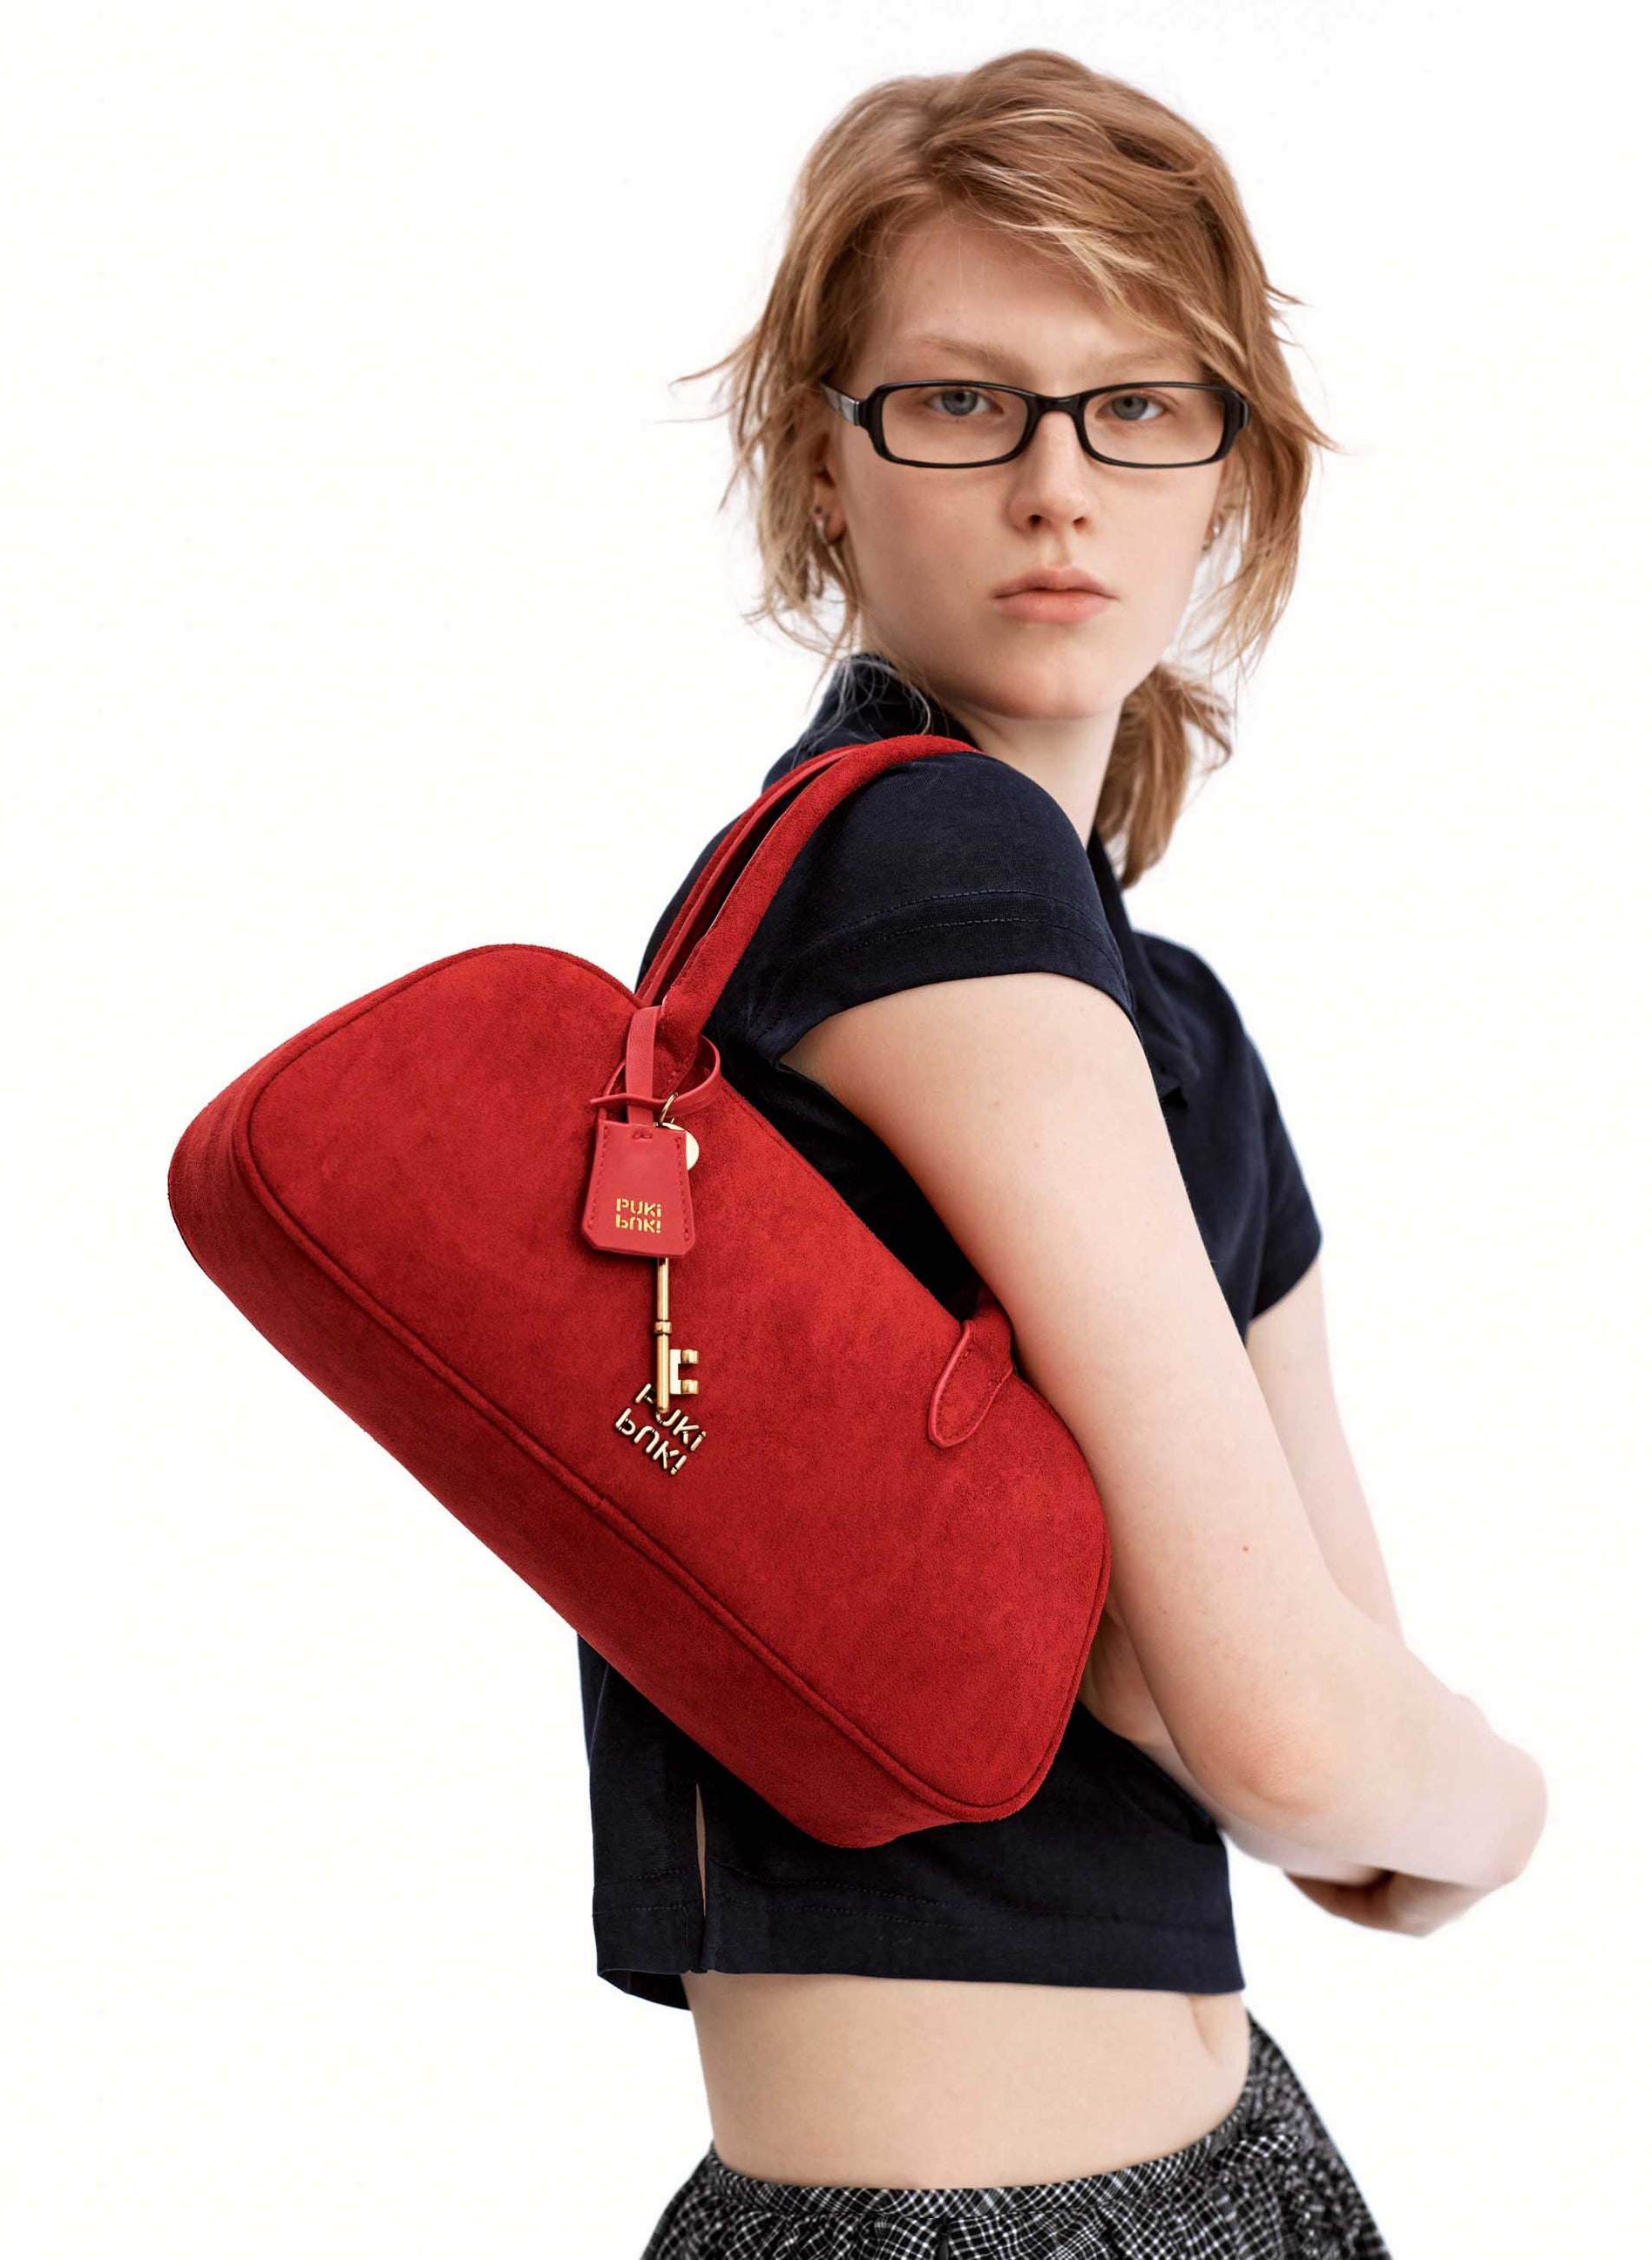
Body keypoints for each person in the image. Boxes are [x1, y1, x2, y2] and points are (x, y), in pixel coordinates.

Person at [574, 48, 1547, 2258]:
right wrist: (1508, 1796)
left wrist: (1285, 1705)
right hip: (969, 2205)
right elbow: (1315, 1755)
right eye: (958, 402)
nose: (1056, 486)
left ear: (1229, 476)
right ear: (820, 467)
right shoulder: (914, 866)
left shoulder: (1168, 1024)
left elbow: (1303, 1722)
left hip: (1215, 2167)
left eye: (1138, 404)